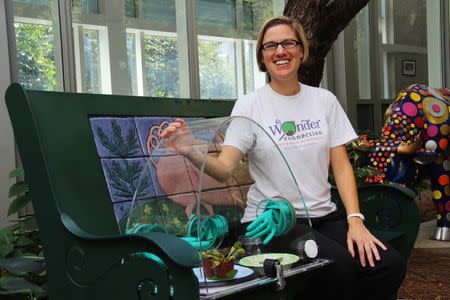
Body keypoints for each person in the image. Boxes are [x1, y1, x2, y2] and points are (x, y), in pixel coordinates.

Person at [161, 16, 406, 300]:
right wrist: (189, 148)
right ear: (262, 58)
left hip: (324, 218)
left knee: (388, 265)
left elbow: (341, 165)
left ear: (301, 50)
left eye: (288, 43)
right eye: (270, 46)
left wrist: (355, 220)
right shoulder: (250, 105)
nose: (280, 51)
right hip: (273, 224)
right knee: (338, 268)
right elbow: (224, 168)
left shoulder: (324, 100)